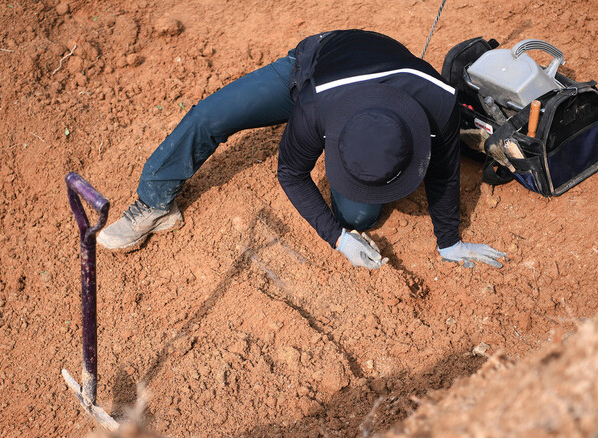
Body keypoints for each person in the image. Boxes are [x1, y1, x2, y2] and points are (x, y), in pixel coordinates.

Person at [97, 29, 506, 269]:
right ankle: (153, 201)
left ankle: (358, 203)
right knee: (210, 116)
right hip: (308, 66)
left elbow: (444, 171)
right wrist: (336, 239)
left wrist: (449, 241)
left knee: (359, 214)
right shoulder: (313, 110)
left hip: (359, 86)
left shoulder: (440, 104)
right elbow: (291, 172)